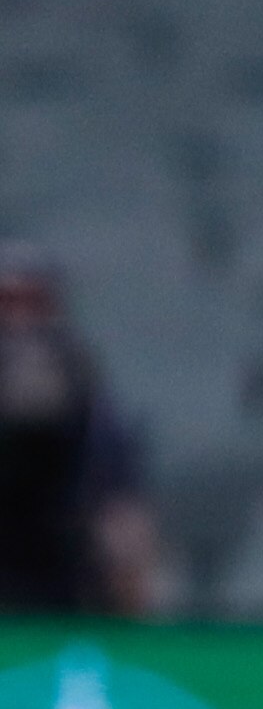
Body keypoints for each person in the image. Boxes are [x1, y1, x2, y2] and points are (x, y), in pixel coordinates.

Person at [0, 247, 161, 616]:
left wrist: (130, 604)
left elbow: (120, 514)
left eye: (31, 302)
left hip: (61, 598)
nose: (17, 320)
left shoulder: (82, 395)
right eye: (6, 302)